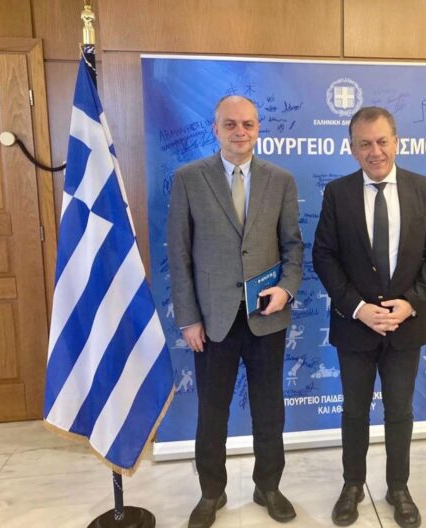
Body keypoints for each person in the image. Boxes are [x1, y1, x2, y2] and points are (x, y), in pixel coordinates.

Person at [168, 95, 303, 528]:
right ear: (216, 129)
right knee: (212, 412)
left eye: (247, 124)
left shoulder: (281, 180)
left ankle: (269, 487)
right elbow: (179, 256)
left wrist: (286, 289)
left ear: (258, 128)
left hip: (267, 317)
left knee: (269, 410)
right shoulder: (189, 179)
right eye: (230, 124)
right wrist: (189, 319)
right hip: (212, 321)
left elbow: (293, 247)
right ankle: (212, 492)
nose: (240, 131)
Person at [312, 107, 426, 528]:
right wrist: (358, 308)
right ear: (352, 149)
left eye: (382, 141)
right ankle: (352, 485)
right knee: (354, 411)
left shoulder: (423, 188)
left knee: (400, 411)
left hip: (407, 326)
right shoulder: (337, 193)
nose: (375, 151)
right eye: (365, 144)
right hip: (355, 326)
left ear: (397, 142)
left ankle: (398, 487)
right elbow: (324, 256)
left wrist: (410, 303)